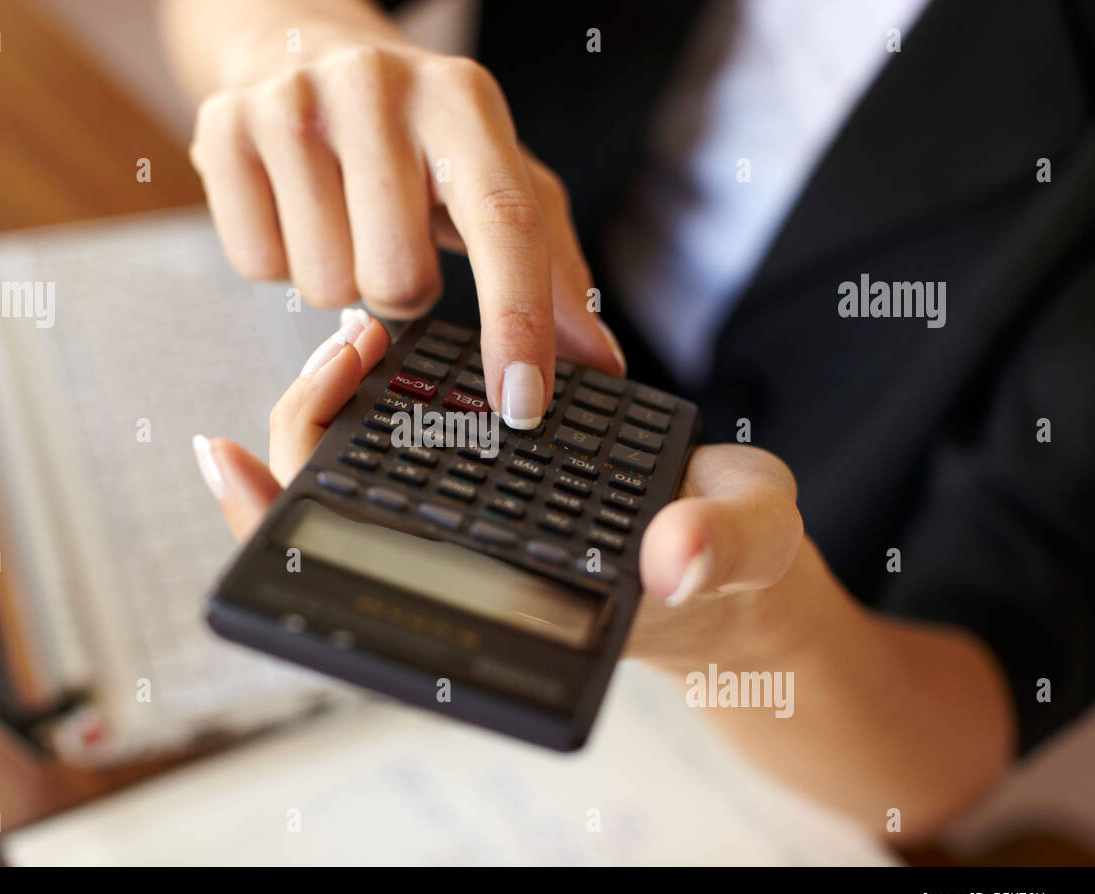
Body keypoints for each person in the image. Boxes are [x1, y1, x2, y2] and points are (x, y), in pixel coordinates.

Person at [162, 0, 1095, 842]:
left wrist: (746, 633)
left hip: (797, 674)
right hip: (427, 381)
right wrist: (292, 52)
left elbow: (949, 746)